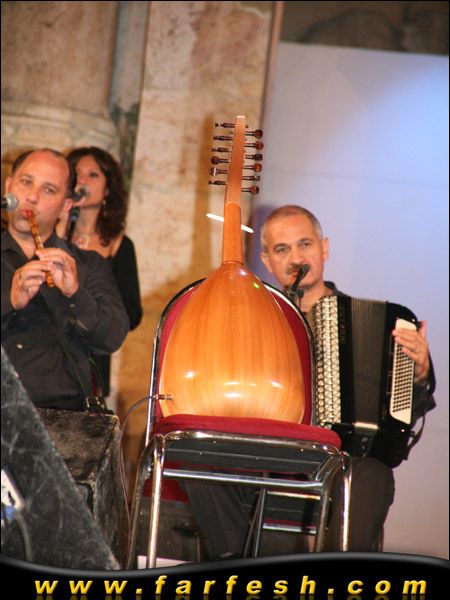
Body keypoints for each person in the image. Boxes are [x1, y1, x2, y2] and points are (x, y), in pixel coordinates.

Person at [185, 204, 435, 557]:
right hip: (266, 452)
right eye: (282, 249)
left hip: (338, 460)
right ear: (266, 260)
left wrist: (419, 372)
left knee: (371, 473)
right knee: (196, 453)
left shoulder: (374, 324)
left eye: (305, 244)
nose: (296, 258)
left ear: (324, 248)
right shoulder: (252, 318)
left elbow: (409, 408)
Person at [1, 148, 130, 411]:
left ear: (66, 206)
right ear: (8, 186)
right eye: (26, 182)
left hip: (64, 416)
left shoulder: (87, 264)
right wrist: (9, 300)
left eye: (49, 190)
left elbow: (112, 338)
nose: (32, 197)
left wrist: (76, 294)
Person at [57, 146, 142, 397]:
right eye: (76, 173)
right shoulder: (51, 233)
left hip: (90, 357)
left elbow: (131, 313)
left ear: (107, 191)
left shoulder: (120, 245)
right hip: (44, 354)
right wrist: (61, 221)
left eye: (93, 175)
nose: (82, 180)